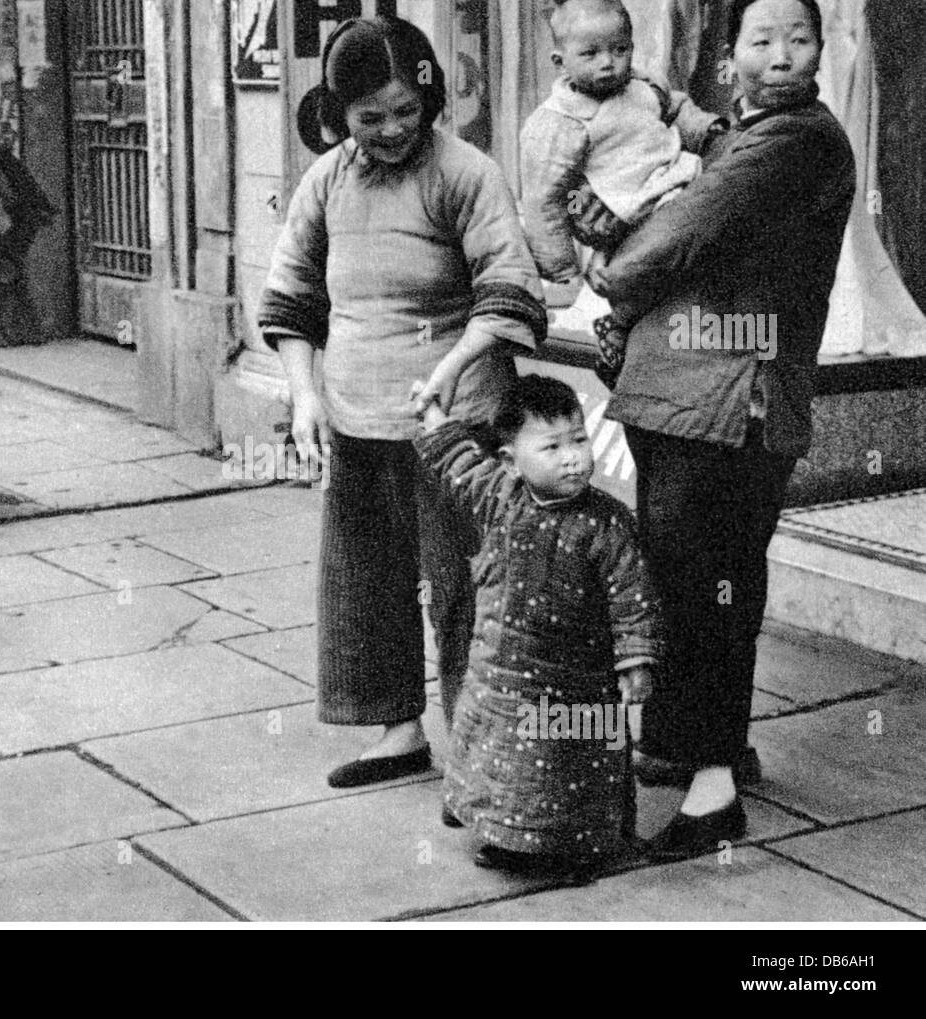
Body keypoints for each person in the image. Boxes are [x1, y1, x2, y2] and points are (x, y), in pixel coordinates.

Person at [589, 0, 856, 860]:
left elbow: (683, 236)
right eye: (762, 39)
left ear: (822, 48)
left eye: (800, 38)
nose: (782, 55)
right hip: (681, 397)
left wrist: (615, 286)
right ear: (730, 55)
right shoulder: (739, 134)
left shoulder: (799, 141)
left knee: (707, 586)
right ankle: (694, 744)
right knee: (697, 579)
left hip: (729, 404)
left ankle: (712, 792)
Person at [258, 16, 548, 790]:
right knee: (367, 580)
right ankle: (397, 731)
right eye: (368, 116)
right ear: (338, 111)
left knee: (467, 587)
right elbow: (291, 298)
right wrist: (304, 396)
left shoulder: (467, 173)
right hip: (358, 417)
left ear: (431, 98)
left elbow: (510, 287)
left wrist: (454, 364)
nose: (390, 130)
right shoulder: (327, 181)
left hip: (455, 425)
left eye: (405, 111)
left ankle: (487, 755)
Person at [413, 374, 660, 882]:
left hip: (574, 679)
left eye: (579, 439)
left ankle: (569, 850)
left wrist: (635, 658)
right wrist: (434, 417)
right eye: (551, 446)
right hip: (499, 669)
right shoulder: (499, 497)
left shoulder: (606, 523)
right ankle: (503, 833)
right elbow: (459, 464)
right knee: (499, 754)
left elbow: (631, 595)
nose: (572, 456)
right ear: (510, 460)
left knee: (567, 769)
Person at [519, 0, 727, 385]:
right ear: (559, 60)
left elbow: (675, 109)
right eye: (590, 53)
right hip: (626, 207)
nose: (608, 62)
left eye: (620, 49)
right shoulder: (560, 120)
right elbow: (542, 200)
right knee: (644, 267)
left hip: (674, 180)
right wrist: (562, 270)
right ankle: (618, 328)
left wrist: (705, 128)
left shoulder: (643, 86)